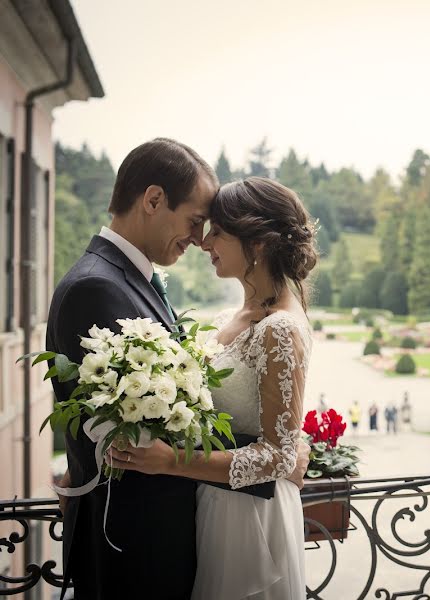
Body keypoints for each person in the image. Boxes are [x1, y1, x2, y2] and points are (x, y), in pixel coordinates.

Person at [45, 138, 268, 599]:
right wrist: (273, 458)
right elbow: (142, 439)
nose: (199, 238)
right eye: (194, 221)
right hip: (133, 544)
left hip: (146, 539)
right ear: (152, 200)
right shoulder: (96, 288)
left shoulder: (124, 278)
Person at [111, 176, 317, 599]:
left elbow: (279, 456)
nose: (204, 243)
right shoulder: (233, 316)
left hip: (249, 518)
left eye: (218, 232)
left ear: (257, 243)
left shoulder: (279, 327)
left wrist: (170, 462)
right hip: (215, 503)